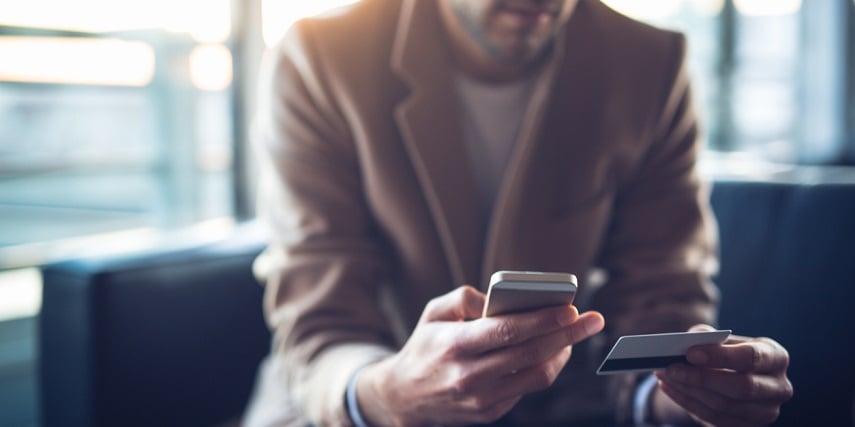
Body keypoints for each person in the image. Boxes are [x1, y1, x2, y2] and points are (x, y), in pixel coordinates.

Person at [244, 0, 794, 425]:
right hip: (354, 405)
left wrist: (685, 393)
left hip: (566, 408)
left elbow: (661, 292)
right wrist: (389, 392)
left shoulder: (650, 65)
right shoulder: (321, 59)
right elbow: (320, 310)